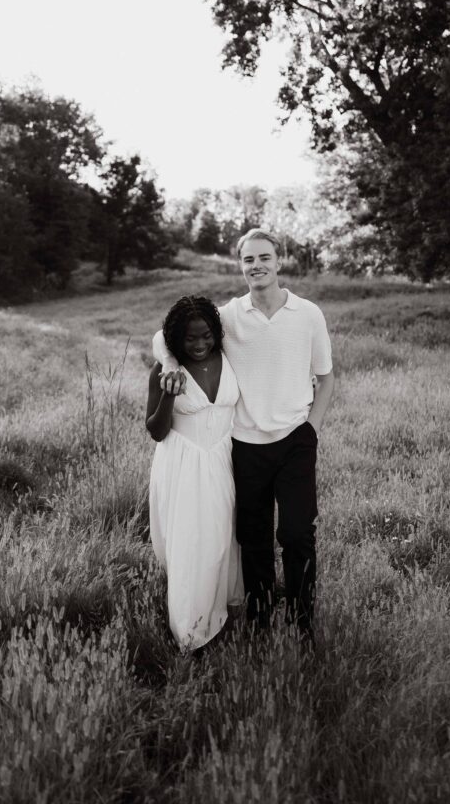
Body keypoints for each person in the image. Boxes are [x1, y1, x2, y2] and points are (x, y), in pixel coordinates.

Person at [154, 229, 334, 640]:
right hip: (246, 446)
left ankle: (304, 623)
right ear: (240, 266)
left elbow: (326, 379)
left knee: (296, 534)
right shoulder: (228, 316)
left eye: (264, 257)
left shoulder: (307, 314)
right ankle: (260, 621)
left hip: (295, 441)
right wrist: (168, 363)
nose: (257, 265)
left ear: (279, 261)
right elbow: (163, 335)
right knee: (252, 540)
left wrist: (312, 429)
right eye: (248, 260)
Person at [146, 294, 243, 651]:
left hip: (224, 457)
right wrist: (169, 392)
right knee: (191, 546)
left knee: (223, 538)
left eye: (206, 336)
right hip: (183, 463)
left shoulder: (230, 357)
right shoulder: (164, 370)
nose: (200, 344)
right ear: (175, 339)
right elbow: (156, 430)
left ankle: (225, 611)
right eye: (190, 338)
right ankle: (190, 634)